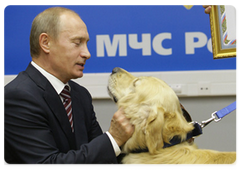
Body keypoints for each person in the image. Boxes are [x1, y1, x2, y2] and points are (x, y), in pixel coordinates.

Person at [2, 7, 134, 164]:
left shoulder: (80, 95)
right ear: (46, 43)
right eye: (77, 43)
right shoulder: (16, 97)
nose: (87, 53)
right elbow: (48, 164)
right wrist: (114, 138)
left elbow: (100, 158)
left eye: (86, 44)